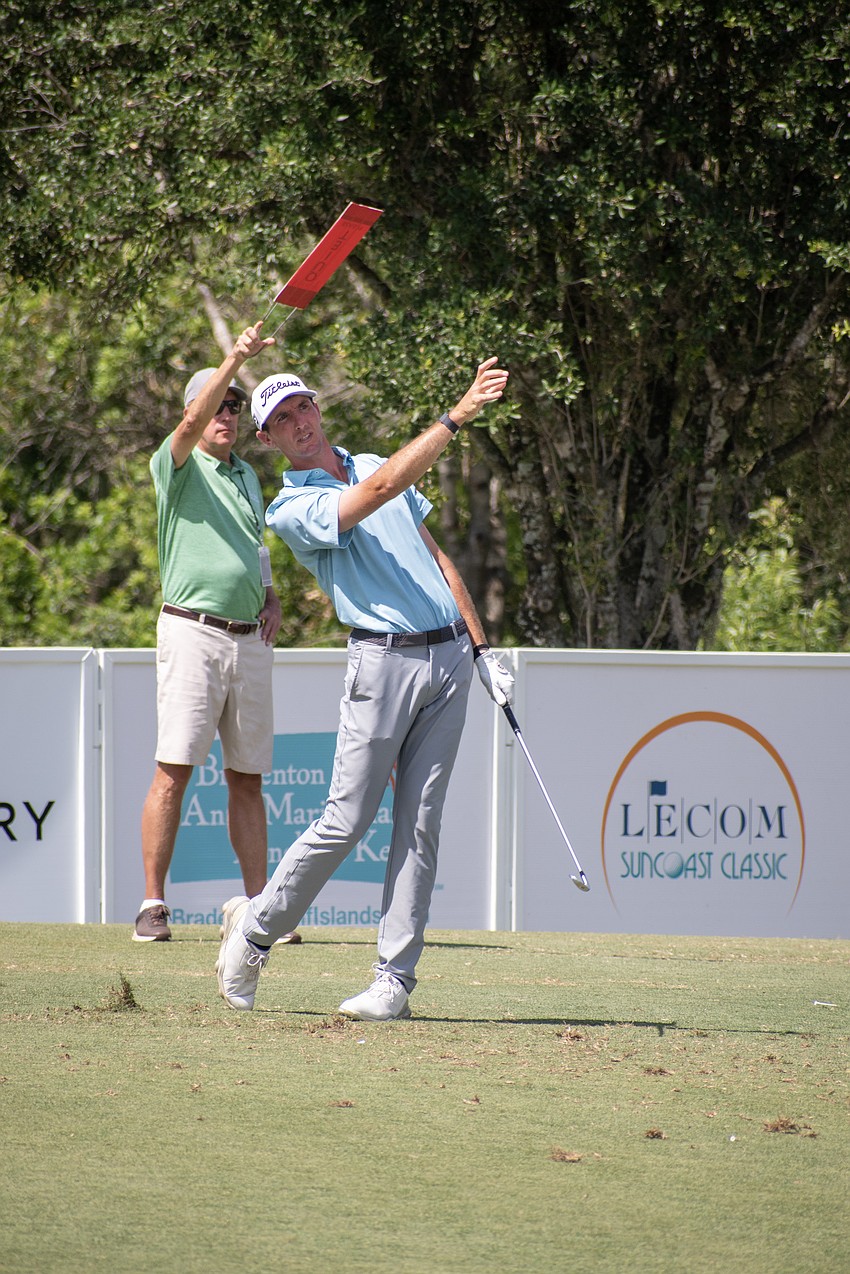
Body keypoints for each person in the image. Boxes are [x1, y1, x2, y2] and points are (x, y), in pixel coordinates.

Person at [216, 356, 514, 1018]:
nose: (296, 422)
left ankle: (393, 983)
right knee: (345, 819)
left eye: (301, 407)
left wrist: (481, 645)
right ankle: (257, 930)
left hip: (449, 660)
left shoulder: (378, 457)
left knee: (420, 825)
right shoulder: (292, 509)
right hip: (381, 664)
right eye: (279, 419)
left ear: (317, 408)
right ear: (265, 439)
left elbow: (437, 557)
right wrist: (455, 416)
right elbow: (378, 491)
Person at [134, 323, 300, 946]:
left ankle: (260, 911)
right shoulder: (176, 463)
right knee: (173, 770)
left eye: (235, 405)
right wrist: (234, 358)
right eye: (217, 404)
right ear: (195, 412)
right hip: (192, 630)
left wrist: (272, 593)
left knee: (248, 777)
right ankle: (153, 905)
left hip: (247, 637)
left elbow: (255, 547)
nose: (227, 413)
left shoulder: (246, 477)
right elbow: (184, 430)